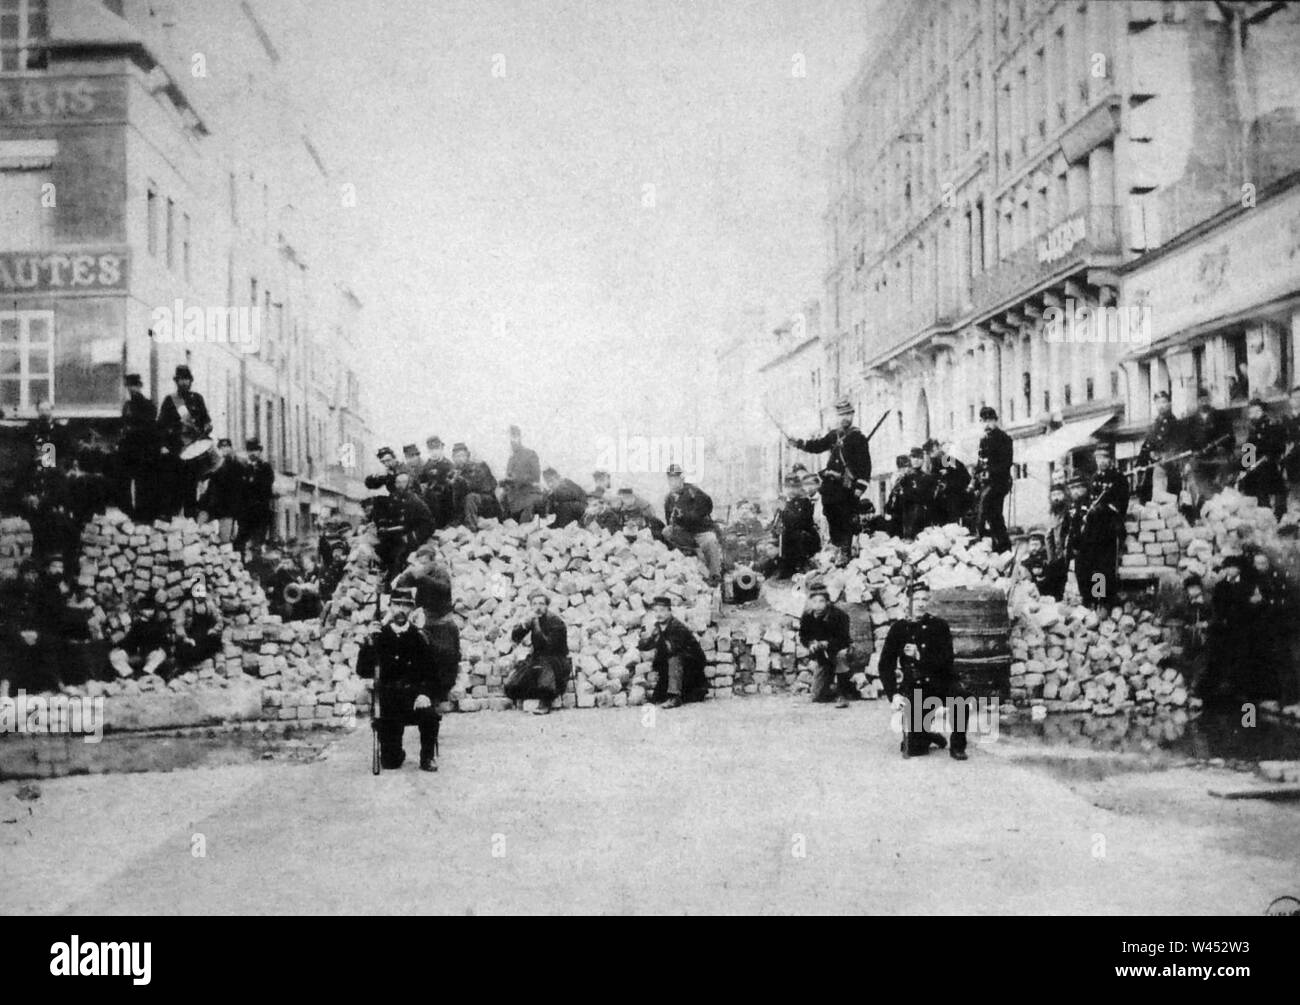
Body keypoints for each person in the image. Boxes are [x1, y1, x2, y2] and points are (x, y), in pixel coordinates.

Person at [878, 573, 967, 760]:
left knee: (961, 697)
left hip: (940, 682)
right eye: (915, 599)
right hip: (916, 687)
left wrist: (920, 655)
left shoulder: (939, 626)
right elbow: (885, 664)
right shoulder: (899, 629)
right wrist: (893, 694)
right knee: (914, 749)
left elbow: (947, 660)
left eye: (924, 599)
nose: (920, 604)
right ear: (906, 601)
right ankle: (927, 735)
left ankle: (958, 746)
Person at [356, 588, 445, 772]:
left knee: (429, 715)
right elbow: (363, 670)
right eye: (397, 604)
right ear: (390, 607)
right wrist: (368, 642)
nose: (401, 610)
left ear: (412, 610)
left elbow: (433, 675)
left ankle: (427, 757)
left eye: (406, 605)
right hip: (389, 701)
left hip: (414, 697)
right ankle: (395, 753)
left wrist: (424, 694)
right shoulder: (379, 636)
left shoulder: (420, 638)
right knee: (390, 763)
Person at [787, 397, 872, 564]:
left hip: (847, 487)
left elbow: (865, 465)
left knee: (846, 518)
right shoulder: (834, 435)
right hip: (830, 487)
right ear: (837, 417)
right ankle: (837, 547)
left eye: (848, 414)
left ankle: (845, 551)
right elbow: (817, 446)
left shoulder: (858, 437)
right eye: (841, 415)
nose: (844, 418)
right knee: (831, 516)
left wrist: (861, 485)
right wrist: (799, 443)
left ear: (853, 415)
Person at [1074, 445, 1129, 609]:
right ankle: (1088, 598)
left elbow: (1122, 504)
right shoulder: (1093, 478)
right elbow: (1087, 502)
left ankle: (1102, 600)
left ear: (1111, 460)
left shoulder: (1118, 479)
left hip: (1109, 528)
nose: (1102, 462)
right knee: (1085, 563)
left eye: (1105, 458)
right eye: (1099, 458)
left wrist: (1105, 508)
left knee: (1102, 566)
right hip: (1092, 529)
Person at [156, 365, 213, 517]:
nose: (184, 383)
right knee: (174, 490)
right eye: (181, 379)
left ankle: (190, 527)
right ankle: (172, 526)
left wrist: (207, 427)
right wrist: (163, 445)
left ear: (190, 381)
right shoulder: (170, 400)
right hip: (176, 450)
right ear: (176, 381)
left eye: (186, 379)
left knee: (190, 491)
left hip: (193, 451)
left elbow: (206, 420)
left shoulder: (197, 399)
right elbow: (161, 425)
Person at [504, 590, 572, 714]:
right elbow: (515, 637)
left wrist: (535, 625)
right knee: (511, 687)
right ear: (531, 606)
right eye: (534, 604)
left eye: (541, 604)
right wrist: (523, 625)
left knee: (545, 681)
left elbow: (549, 646)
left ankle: (545, 702)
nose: (538, 607)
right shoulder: (534, 618)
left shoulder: (556, 622)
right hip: (538, 658)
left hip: (556, 660)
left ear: (546, 606)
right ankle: (536, 695)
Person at [636, 594, 708, 708]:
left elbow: (672, 649)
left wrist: (658, 638)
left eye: (663, 611)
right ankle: (665, 694)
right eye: (656, 611)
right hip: (675, 671)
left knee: (674, 657)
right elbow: (646, 646)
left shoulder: (677, 627)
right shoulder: (658, 627)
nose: (659, 614)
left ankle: (674, 697)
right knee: (657, 697)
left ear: (670, 611)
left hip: (691, 668)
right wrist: (644, 639)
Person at [799, 581, 857, 708]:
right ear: (810, 602)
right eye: (814, 601)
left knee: (841, 657)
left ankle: (842, 694)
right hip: (823, 655)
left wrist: (828, 643)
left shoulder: (839, 616)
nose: (818, 605)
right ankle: (840, 689)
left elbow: (843, 638)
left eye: (821, 601)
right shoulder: (807, 617)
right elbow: (803, 636)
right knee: (817, 696)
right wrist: (810, 644)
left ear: (827, 602)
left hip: (840, 650)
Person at [663, 463, 722, 583]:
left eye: (676, 479)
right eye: (670, 479)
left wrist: (689, 515)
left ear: (682, 479)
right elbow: (668, 519)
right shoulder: (669, 499)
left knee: (710, 540)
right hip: (685, 533)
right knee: (667, 532)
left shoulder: (693, 492)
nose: (673, 482)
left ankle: (715, 575)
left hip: (701, 530)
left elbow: (708, 505)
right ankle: (691, 554)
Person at [376, 472, 434, 583]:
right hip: (395, 537)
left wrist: (411, 537)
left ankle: (395, 586)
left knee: (399, 558)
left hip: (410, 541)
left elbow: (429, 524)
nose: (400, 485)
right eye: (397, 482)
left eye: (403, 482)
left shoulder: (415, 501)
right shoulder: (395, 499)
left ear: (409, 484)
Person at [1182, 386, 1234, 509]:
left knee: (1220, 488)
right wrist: (1192, 455)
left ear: (1210, 400)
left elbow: (1230, 437)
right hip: (1200, 460)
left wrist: (1223, 448)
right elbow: (1186, 443)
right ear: (1197, 401)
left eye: (1206, 399)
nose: (1204, 402)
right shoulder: (1190, 421)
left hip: (1217, 459)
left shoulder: (1221, 417)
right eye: (1201, 400)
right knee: (1198, 486)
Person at [117, 373, 160, 520]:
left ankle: (144, 516)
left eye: (134, 386)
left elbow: (150, 428)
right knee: (124, 483)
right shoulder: (127, 406)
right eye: (129, 386)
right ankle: (128, 513)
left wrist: (132, 429)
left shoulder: (148, 405)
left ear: (140, 387)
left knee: (144, 484)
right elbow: (124, 425)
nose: (132, 389)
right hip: (128, 451)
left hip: (143, 450)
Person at [761, 474, 820, 579]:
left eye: (795, 487)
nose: (792, 490)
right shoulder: (781, 502)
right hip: (784, 539)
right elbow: (776, 522)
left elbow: (800, 522)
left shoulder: (804, 502)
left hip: (801, 539)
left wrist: (785, 510)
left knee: (798, 536)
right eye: (788, 487)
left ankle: (799, 566)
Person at [1237, 398, 1287, 518]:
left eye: (1256, 412)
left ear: (1262, 412)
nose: (1253, 415)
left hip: (1269, 465)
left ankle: (1275, 515)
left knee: (1267, 486)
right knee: (1247, 483)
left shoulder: (1272, 425)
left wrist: (1258, 462)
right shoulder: (1253, 429)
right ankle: (1262, 513)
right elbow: (1248, 449)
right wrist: (1244, 468)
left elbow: (1276, 448)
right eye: (1251, 413)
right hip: (1256, 466)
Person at [974, 406, 1013, 552]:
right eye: (984, 421)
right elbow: (980, 462)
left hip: (998, 483)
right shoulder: (984, 440)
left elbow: (1006, 463)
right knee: (991, 515)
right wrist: (976, 477)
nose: (987, 424)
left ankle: (999, 543)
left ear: (995, 421)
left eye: (989, 420)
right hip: (986, 483)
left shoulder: (1004, 439)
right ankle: (997, 543)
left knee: (989, 511)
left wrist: (990, 472)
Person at [108, 597, 173, 679]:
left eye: (151, 609)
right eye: (146, 609)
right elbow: (129, 641)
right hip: (134, 654)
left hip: (150, 654)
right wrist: (120, 647)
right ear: (141, 610)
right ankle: (128, 674)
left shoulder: (157, 625)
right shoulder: (136, 624)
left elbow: (164, 641)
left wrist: (163, 649)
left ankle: (146, 672)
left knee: (160, 654)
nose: (150, 612)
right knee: (115, 655)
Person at [1136, 390, 1182, 502]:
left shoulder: (1174, 423)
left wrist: (1166, 455)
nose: (1161, 406)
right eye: (1158, 403)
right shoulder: (1154, 425)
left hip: (1169, 466)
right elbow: (1147, 445)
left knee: (1170, 498)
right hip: (1154, 467)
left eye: (1164, 402)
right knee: (1149, 498)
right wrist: (1139, 463)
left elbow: (1178, 444)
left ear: (1169, 403)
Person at [173, 577, 224, 672]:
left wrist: (214, 630)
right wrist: (185, 638)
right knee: (185, 649)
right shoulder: (187, 605)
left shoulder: (209, 604)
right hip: (191, 638)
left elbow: (219, 620)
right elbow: (179, 624)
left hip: (205, 637)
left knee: (216, 643)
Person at [235, 438, 275, 556]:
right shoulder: (243, 468)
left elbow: (266, 486)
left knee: (257, 543)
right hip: (246, 514)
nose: (253, 453)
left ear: (260, 451)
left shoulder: (265, 468)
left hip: (260, 512)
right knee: (240, 543)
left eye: (255, 450)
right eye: (250, 450)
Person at [199, 438, 243, 544]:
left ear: (231, 448)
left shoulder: (236, 465)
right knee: (199, 533)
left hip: (227, 508)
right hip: (211, 505)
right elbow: (204, 479)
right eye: (222, 447)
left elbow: (239, 490)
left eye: (227, 447)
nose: (224, 449)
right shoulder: (214, 464)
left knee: (225, 541)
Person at [450, 443, 499, 530]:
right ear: (453, 458)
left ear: (467, 456)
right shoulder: (457, 471)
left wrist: (464, 482)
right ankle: (458, 520)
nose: (460, 459)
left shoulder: (477, 466)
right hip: (473, 505)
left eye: (462, 455)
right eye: (457, 456)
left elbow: (490, 485)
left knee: (471, 497)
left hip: (487, 502)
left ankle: (471, 526)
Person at [502, 425, 543, 521]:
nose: (512, 441)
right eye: (510, 439)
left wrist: (516, 479)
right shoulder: (511, 459)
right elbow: (509, 480)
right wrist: (505, 483)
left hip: (529, 494)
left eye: (514, 437)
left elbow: (536, 477)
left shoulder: (530, 454)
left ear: (520, 438)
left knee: (524, 525)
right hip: (514, 498)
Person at [892, 447, 935, 539]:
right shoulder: (903, 477)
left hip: (922, 516)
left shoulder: (927, 478)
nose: (916, 460)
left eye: (920, 458)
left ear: (923, 460)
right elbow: (896, 497)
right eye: (914, 457)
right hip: (905, 516)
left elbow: (930, 500)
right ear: (910, 458)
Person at [927, 440, 971, 526]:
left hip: (954, 497)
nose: (931, 454)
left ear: (938, 447)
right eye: (930, 452)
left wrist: (948, 482)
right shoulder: (934, 462)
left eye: (932, 451)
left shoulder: (946, 459)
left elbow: (965, 477)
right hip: (941, 499)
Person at [417, 436, 456, 529]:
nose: (434, 452)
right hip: (430, 498)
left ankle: (441, 524)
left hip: (445, 500)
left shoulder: (448, 465)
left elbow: (451, 485)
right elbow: (422, 480)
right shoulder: (427, 465)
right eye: (431, 450)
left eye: (436, 449)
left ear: (441, 448)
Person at [1042, 482, 1071, 599]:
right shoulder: (1052, 514)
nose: (1056, 498)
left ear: (1064, 495)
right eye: (1053, 495)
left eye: (1059, 494)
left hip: (1068, 556)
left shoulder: (1068, 512)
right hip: (1055, 559)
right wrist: (1051, 558)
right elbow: (1048, 537)